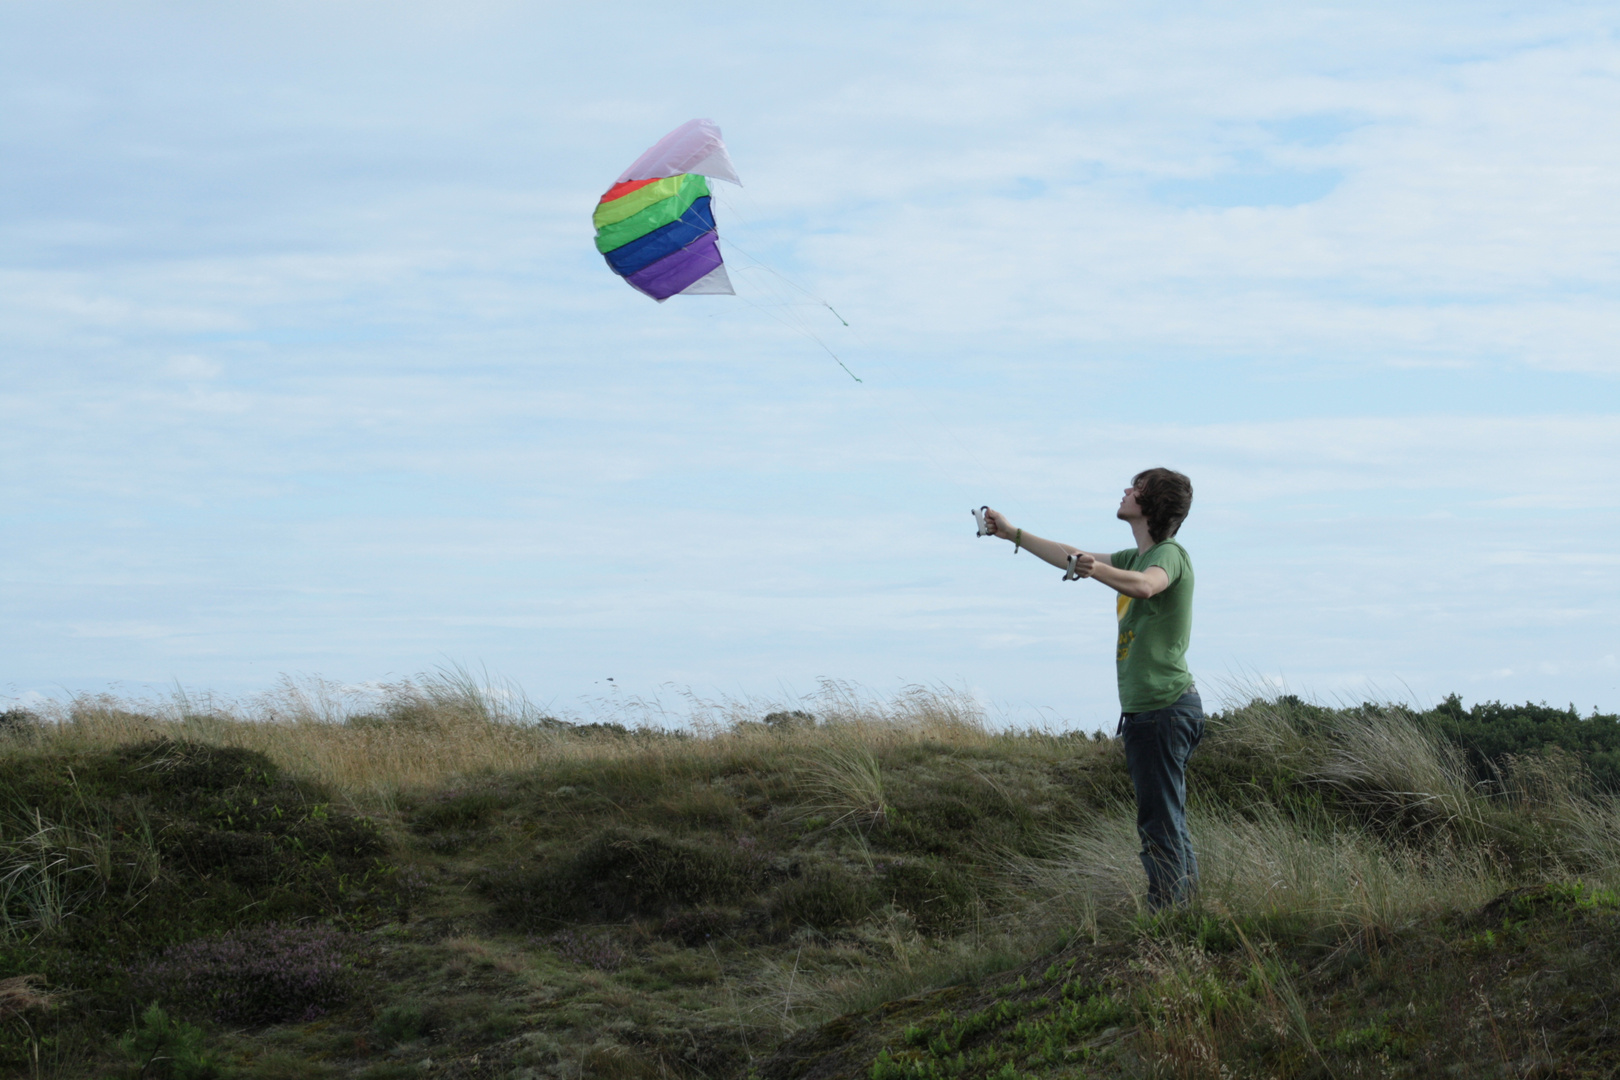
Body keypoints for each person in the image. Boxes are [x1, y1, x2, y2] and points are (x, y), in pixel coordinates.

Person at [981, 468, 1203, 909]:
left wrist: (1095, 569)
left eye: (1135, 488)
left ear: (1152, 503)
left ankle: (1168, 914)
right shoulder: (1132, 556)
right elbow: (1070, 553)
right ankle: (1185, 911)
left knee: (1159, 824)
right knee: (1166, 819)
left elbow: (1145, 587)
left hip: (1163, 710)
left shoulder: (1169, 555)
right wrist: (1012, 534)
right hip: (1151, 713)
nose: (1125, 490)